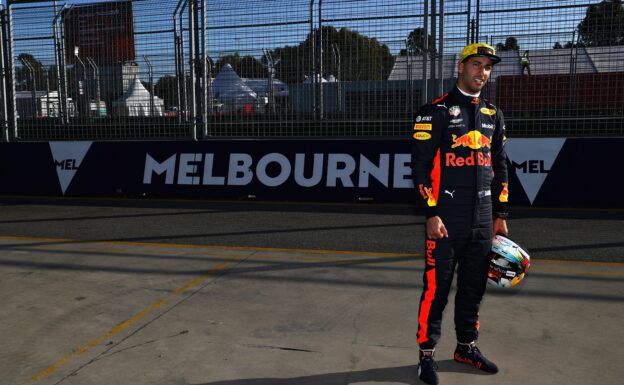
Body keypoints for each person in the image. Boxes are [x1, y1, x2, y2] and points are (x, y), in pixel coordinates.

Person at [411, 43, 509, 385]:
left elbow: (500, 163)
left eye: (487, 67)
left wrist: (500, 212)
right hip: (445, 219)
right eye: (476, 65)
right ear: (460, 67)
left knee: (473, 288)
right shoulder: (434, 111)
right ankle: (426, 356)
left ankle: (466, 347)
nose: (482, 72)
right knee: (436, 290)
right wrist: (430, 213)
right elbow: (420, 167)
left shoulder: (492, 114)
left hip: (482, 218)